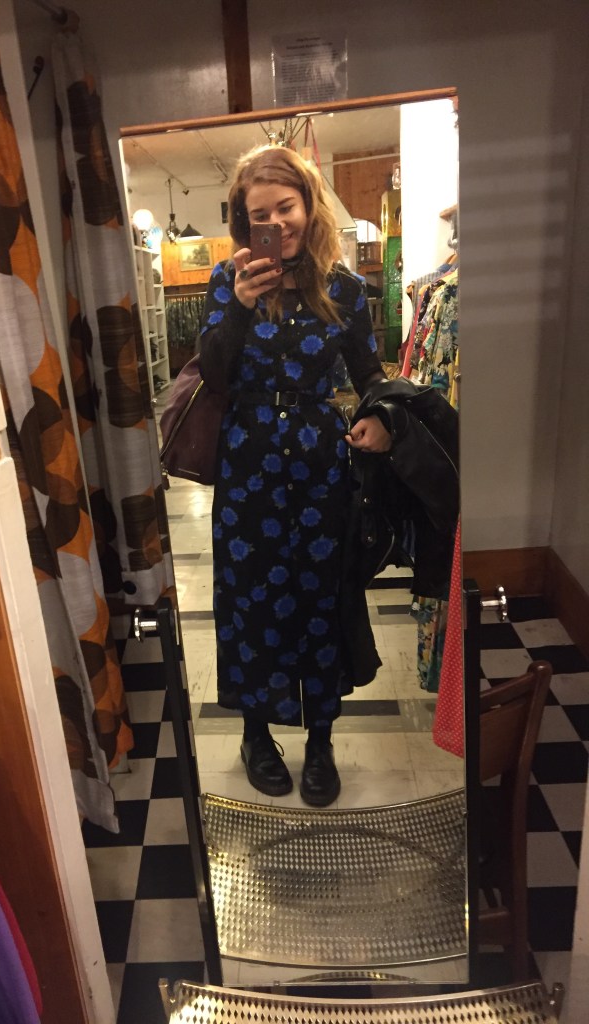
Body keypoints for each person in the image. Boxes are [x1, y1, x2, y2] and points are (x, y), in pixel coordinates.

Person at [198, 144, 392, 807]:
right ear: (243, 221)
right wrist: (239, 307)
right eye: (260, 215)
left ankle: (321, 741)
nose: (276, 224)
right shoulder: (226, 282)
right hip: (247, 465)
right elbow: (213, 375)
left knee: (323, 599)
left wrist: (380, 418)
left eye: (286, 208)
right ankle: (256, 735)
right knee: (250, 600)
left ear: (309, 207)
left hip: (320, 467)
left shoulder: (345, 288)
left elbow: (370, 375)